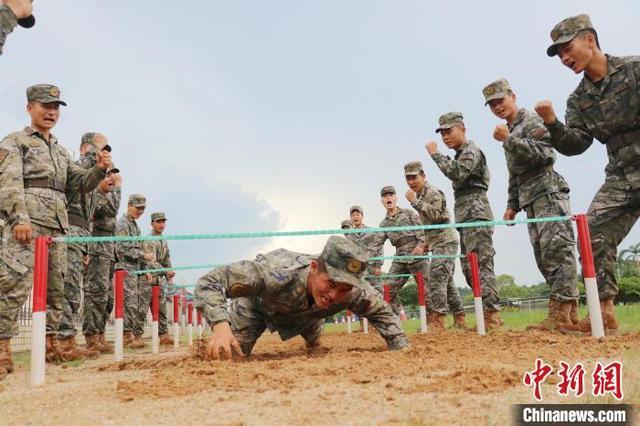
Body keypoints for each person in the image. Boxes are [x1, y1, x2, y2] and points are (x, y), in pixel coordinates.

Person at [534, 14, 640, 334]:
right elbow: (576, 144)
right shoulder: (578, 100)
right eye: (559, 55)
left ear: (590, 40)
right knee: (592, 228)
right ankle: (603, 313)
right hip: (621, 174)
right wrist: (553, 124)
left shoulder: (634, 69)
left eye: (567, 49)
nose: (565, 58)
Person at [0, 84, 111, 378]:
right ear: (29, 108)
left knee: (55, 290)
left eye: (55, 108)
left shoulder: (61, 151)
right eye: (44, 106)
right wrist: (18, 220)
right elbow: (8, 183)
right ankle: (1, 348)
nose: (51, 112)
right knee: (12, 286)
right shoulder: (16, 141)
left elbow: (80, 184)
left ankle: (50, 345)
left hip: (57, 229)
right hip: (27, 226)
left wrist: (99, 169)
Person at [195, 236, 408, 360]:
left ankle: (313, 338)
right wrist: (221, 327)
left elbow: (382, 313)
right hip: (258, 308)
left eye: (343, 289)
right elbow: (210, 282)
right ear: (314, 267)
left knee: (315, 342)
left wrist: (399, 344)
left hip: (309, 316)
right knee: (228, 357)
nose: (334, 295)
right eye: (331, 284)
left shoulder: (354, 292)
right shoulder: (273, 271)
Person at [483, 78, 580, 331]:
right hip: (529, 199)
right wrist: (511, 204)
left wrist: (509, 140)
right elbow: (515, 173)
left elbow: (547, 154)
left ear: (512, 96)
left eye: (500, 101)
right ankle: (569, 316)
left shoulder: (532, 120)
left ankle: (561, 313)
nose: (497, 107)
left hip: (548, 192)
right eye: (491, 104)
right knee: (543, 257)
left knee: (558, 252)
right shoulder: (510, 130)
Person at [426, 112, 502, 329]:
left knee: (481, 266)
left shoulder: (471, 151)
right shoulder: (461, 154)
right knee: (469, 268)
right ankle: (484, 316)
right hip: (465, 217)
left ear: (462, 128)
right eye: (442, 134)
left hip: (476, 214)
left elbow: (458, 173)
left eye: (449, 131)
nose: (445, 137)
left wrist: (436, 155)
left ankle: (492, 317)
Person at [58, 133, 111, 358]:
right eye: (98, 148)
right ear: (84, 149)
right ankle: (63, 342)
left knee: (72, 291)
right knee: (66, 289)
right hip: (68, 232)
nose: (102, 153)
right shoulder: (74, 165)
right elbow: (76, 177)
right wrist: (94, 157)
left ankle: (67, 340)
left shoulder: (90, 175)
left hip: (80, 237)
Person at [404, 161, 467, 330]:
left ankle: (438, 321)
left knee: (437, 278)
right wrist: (424, 244)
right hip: (437, 242)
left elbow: (436, 215)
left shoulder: (432, 193)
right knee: (447, 281)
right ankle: (460, 318)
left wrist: (415, 202)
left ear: (423, 176)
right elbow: (428, 225)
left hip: (446, 241)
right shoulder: (422, 195)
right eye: (408, 178)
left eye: (414, 177)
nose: (411, 182)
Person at [370, 186, 428, 316]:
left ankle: (434, 322)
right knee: (387, 290)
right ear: (382, 201)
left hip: (417, 254)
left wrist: (421, 245)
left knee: (426, 289)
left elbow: (422, 230)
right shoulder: (383, 224)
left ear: (396, 198)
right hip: (400, 257)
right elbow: (375, 245)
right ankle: (393, 319)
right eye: (385, 196)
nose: (388, 198)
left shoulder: (409, 213)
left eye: (391, 195)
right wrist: (372, 262)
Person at [82, 168, 121, 353]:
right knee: (95, 296)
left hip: (108, 251)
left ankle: (99, 334)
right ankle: (91, 338)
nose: (111, 179)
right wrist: (118, 187)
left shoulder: (105, 196)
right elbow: (112, 210)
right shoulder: (96, 196)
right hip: (97, 251)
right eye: (107, 176)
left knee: (107, 299)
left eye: (113, 176)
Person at [115, 194, 153, 348]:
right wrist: (143, 254)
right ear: (129, 205)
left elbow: (138, 248)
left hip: (135, 270)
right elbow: (122, 247)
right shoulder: (122, 224)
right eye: (138, 208)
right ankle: (125, 336)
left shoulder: (136, 227)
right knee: (128, 302)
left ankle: (129, 334)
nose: (140, 212)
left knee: (134, 303)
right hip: (124, 268)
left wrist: (146, 270)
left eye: (142, 209)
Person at [142, 212, 175, 345]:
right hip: (147, 278)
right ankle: (135, 336)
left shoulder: (163, 240)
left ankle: (163, 335)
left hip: (159, 279)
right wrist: (165, 272)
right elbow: (151, 261)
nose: (161, 224)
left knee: (161, 308)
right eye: (158, 222)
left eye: (163, 222)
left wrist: (169, 272)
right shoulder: (149, 239)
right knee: (142, 309)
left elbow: (167, 259)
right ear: (152, 223)